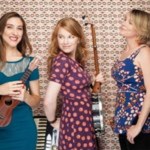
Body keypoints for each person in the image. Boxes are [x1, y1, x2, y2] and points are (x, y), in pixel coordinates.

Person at [44, 17, 104, 150]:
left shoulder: (76, 63)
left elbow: (82, 94)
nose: (65, 41)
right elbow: (48, 101)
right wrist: (53, 121)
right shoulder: (62, 61)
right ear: (56, 39)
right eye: (61, 37)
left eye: (70, 37)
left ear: (78, 39)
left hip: (84, 120)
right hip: (75, 122)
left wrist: (94, 84)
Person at [110, 9, 150, 150]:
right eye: (124, 19)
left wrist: (139, 125)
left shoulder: (144, 52)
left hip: (139, 119)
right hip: (123, 117)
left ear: (140, 29)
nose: (123, 23)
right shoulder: (126, 52)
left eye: (130, 22)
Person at [0, 12, 40, 150]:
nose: (15, 32)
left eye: (20, 28)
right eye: (9, 27)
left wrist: (27, 97)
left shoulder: (30, 63)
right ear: (1, 30)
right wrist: (1, 89)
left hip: (23, 131)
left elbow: (36, 101)